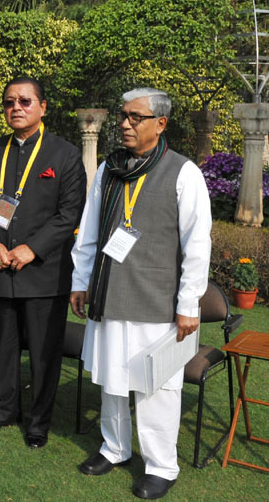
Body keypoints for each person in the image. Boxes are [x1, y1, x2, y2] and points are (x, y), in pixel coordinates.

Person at [70, 88, 211, 500]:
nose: (126, 123)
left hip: (158, 300)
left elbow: (197, 245)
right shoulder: (109, 170)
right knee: (113, 379)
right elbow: (90, 230)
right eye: (123, 116)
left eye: (136, 117)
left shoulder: (184, 173)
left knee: (157, 387)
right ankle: (114, 447)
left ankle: (161, 464)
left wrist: (188, 305)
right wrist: (81, 281)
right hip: (111, 293)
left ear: (161, 124)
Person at [0, 76, 86, 448]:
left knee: (42, 351)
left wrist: (32, 249)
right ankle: (4, 409)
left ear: (42, 107)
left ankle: (39, 421)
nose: (16, 108)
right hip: (0, 268)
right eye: (9, 102)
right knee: (5, 345)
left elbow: (69, 214)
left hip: (43, 272)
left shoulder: (65, 154)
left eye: (24, 101)